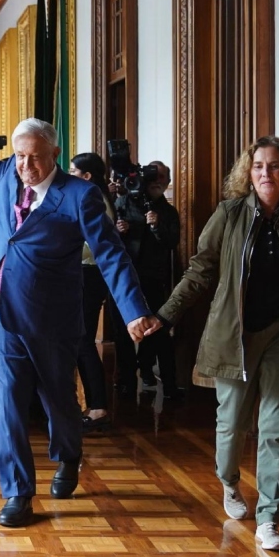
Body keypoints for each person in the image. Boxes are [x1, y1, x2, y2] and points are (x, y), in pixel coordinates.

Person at [0, 85, 160, 527]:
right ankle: (17, 495)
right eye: (18, 156)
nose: (25, 166)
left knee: (58, 400)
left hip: (54, 321)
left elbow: (111, 254)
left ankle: (68, 456)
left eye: (34, 157)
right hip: (2, 314)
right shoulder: (2, 178)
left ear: (54, 153)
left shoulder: (79, 195)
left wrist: (133, 311)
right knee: (8, 402)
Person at [156, 136, 279, 551]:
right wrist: (166, 314)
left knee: (275, 428)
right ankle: (229, 481)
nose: (266, 174)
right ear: (248, 172)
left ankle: (270, 519)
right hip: (234, 334)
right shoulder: (229, 214)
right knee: (232, 423)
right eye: (258, 166)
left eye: (274, 166)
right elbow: (200, 270)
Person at [113, 160, 183, 399]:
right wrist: (118, 230)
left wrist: (156, 226)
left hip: (154, 277)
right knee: (123, 333)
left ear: (168, 182)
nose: (156, 181)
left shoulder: (169, 212)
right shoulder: (123, 203)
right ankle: (125, 380)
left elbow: (172, 242)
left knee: (157, 331)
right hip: (125, 278)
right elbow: (108, 240)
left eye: (162, 177)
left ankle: (165, 381)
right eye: (152, 176)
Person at [66, 153, 115, 431]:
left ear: (87, 177)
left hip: (90, 275)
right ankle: (95, 405)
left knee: (83, 341)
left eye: (73, 171)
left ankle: (98, 408)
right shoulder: (93, 196)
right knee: (80, 340)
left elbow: (93, 245)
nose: (69, 175)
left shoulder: (95, 200)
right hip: (85, 274)